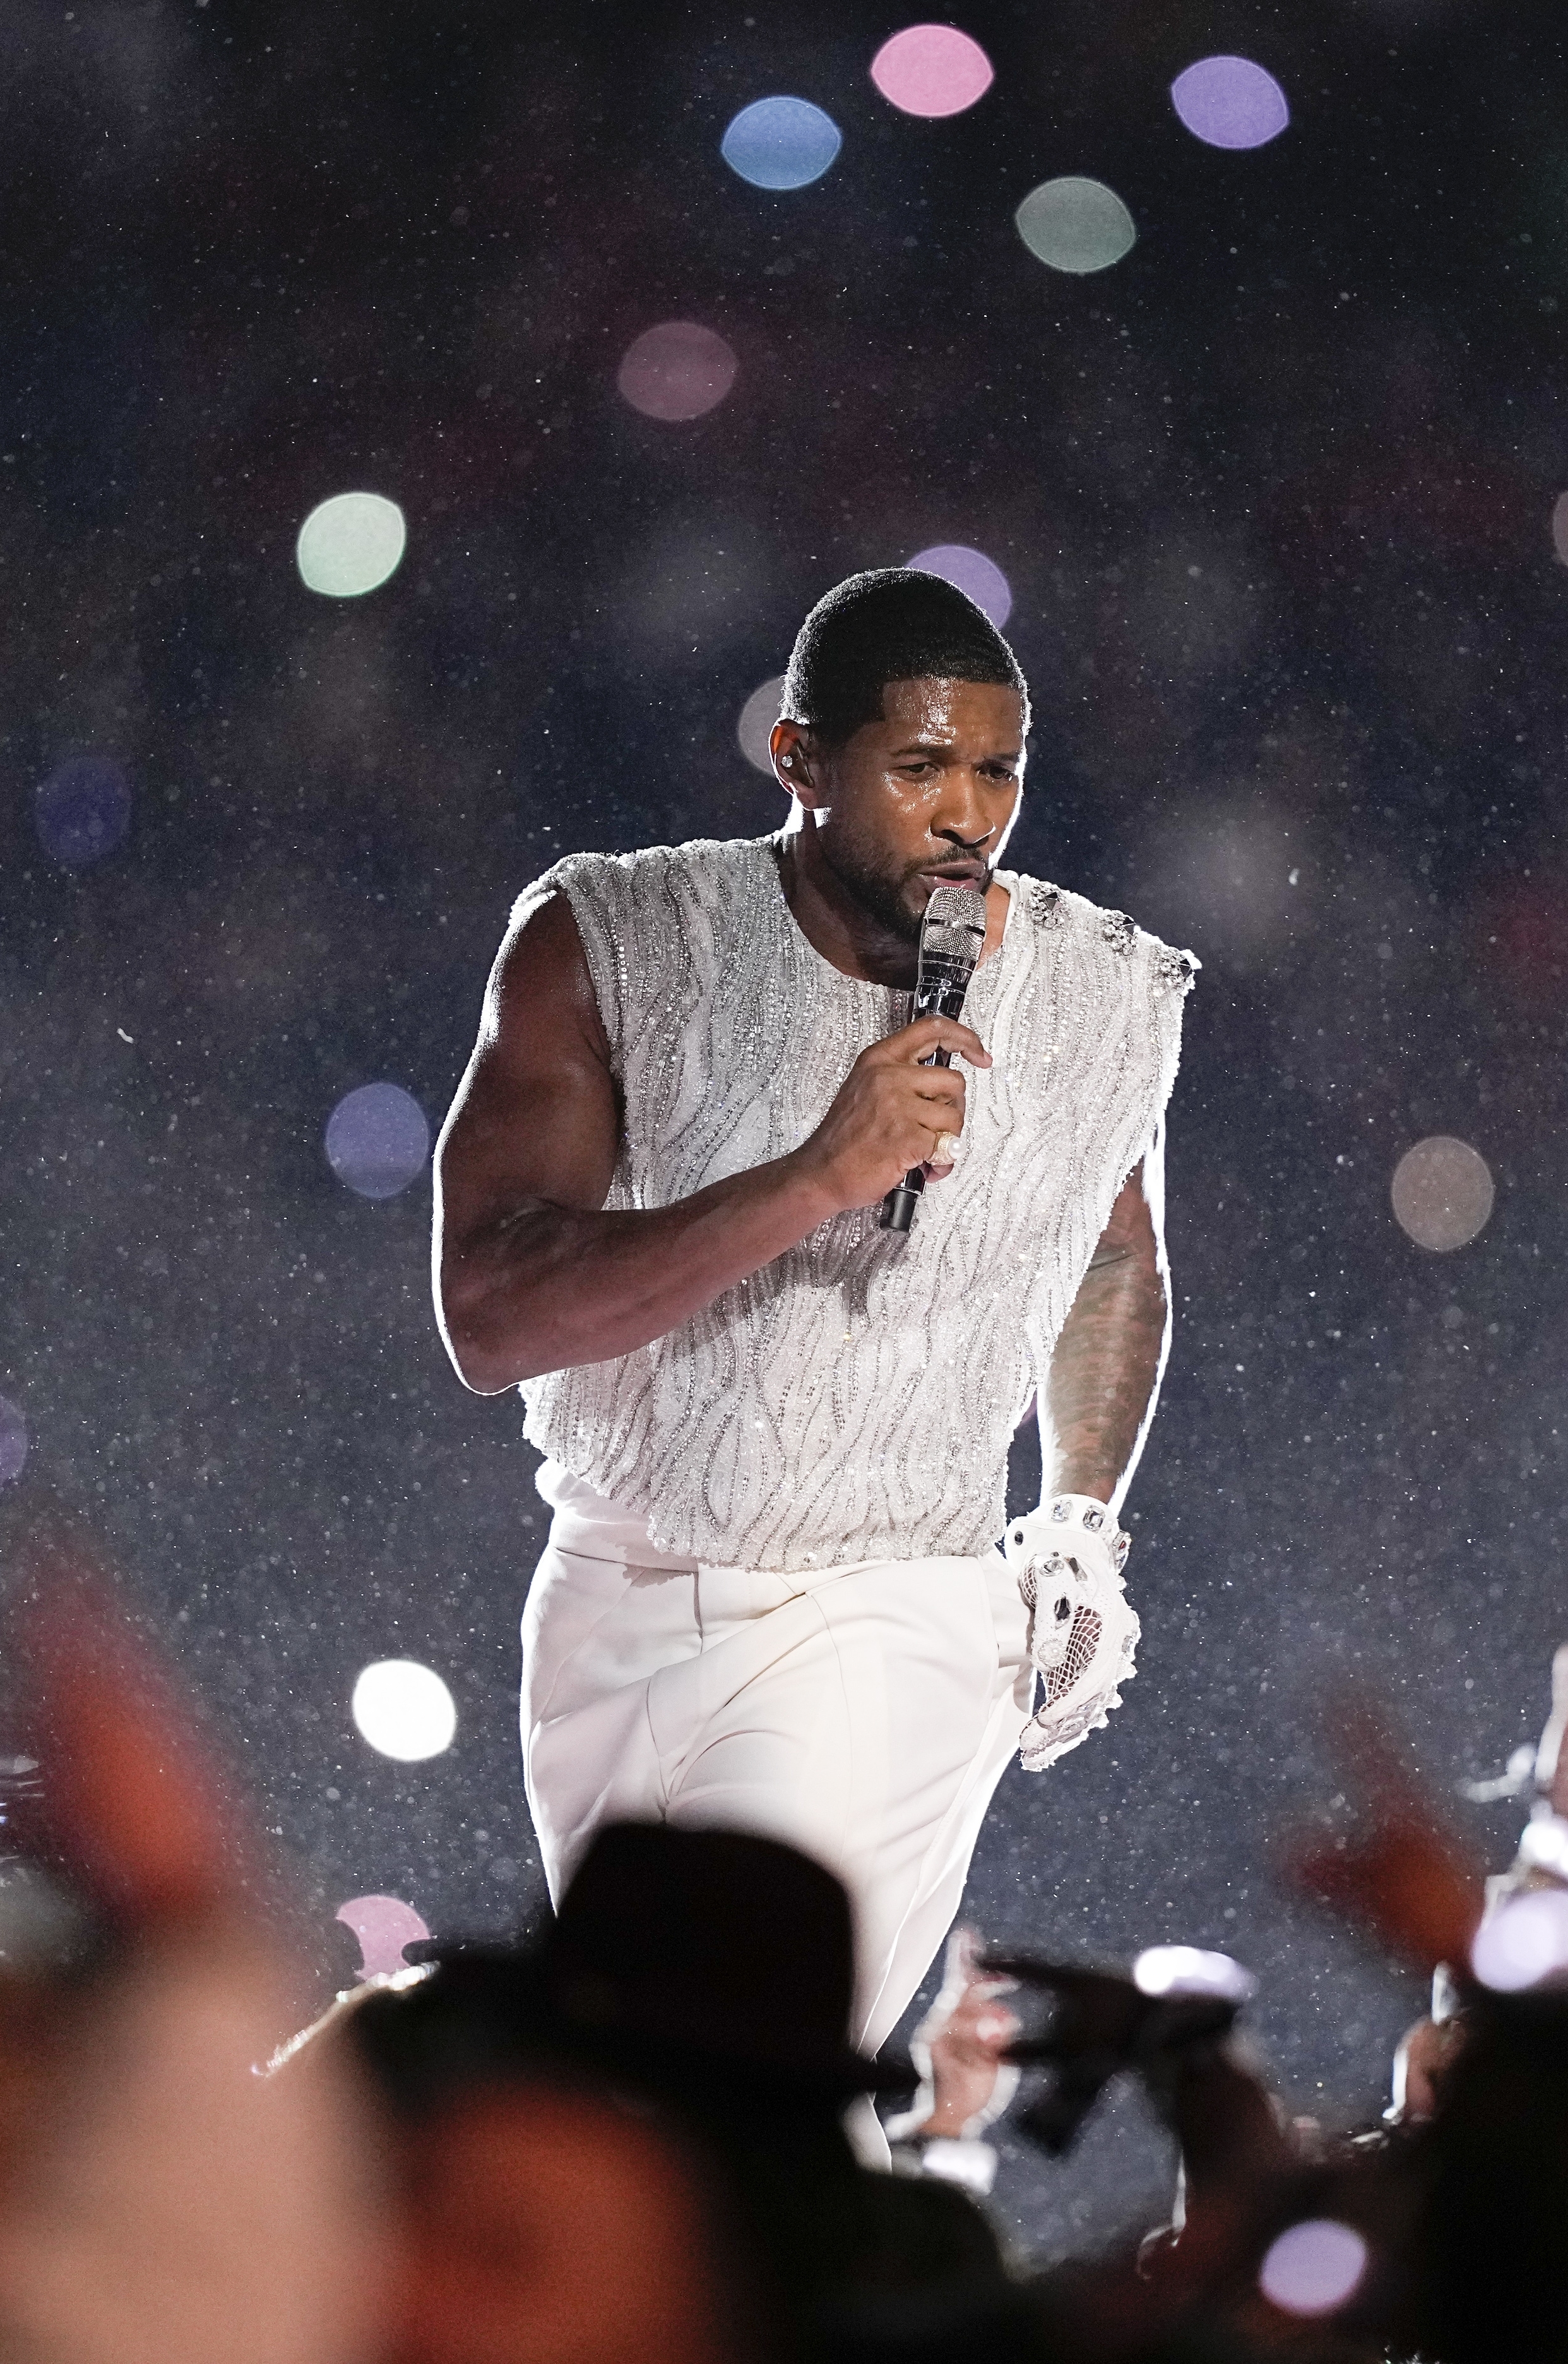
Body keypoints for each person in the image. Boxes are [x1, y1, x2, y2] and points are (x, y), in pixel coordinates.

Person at [434, 566, 1196, 2045]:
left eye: (998, 772)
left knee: (729, 2048)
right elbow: (490, 1317)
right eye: (920, 769)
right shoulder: (615, 940)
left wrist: (1083, 1527)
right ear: (799, 761)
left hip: (893, 1606)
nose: (969, 813)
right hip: (615, 1594)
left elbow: (1114, 1257)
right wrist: (813, 1179)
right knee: (650, 2088)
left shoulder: (1099, 991)